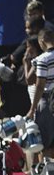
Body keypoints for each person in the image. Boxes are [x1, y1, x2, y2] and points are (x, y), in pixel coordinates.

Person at [26, 29, 54, 157]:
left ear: (42, 41)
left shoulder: (43, 59)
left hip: (48, 102)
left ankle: (45, 174)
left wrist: (32, 109)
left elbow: (39, 85)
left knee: (45, 143)